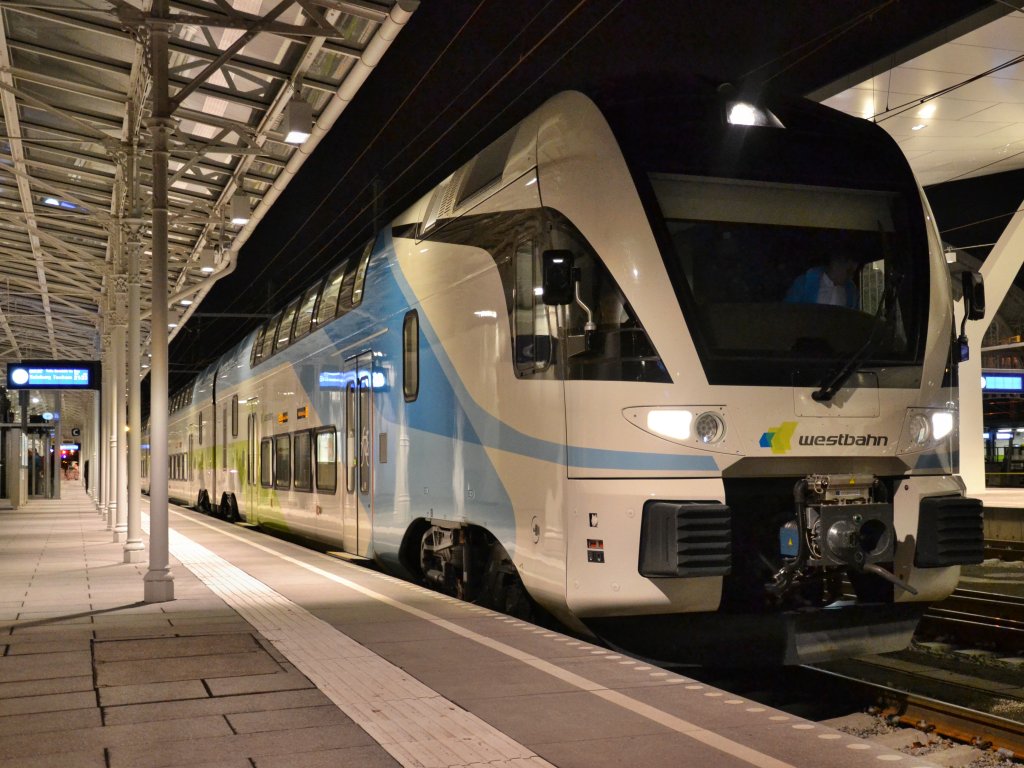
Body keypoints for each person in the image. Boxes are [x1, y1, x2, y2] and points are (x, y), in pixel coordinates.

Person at [785, 254, 859, 308]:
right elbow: (789, 312)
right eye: (848, 271)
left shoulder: (851, 292)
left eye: (853, 273)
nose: (851, 277)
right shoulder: (804, 284)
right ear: (835, 264)